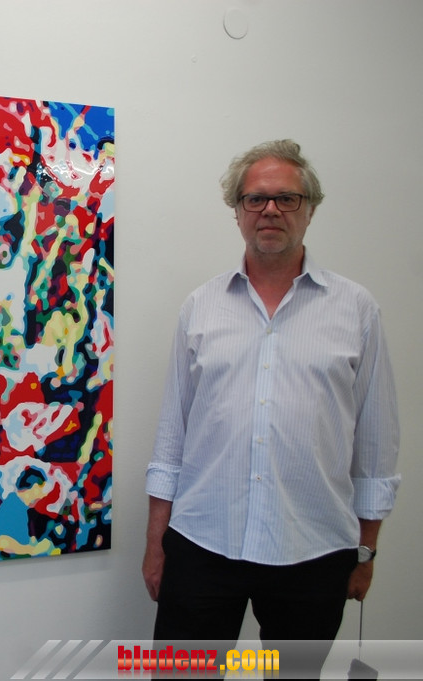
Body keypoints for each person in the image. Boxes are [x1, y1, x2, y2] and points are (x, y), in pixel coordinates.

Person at [142, 139, 400, 674]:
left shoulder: (356, 309)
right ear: (237, 211)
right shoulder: (201, 307)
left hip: (314, 548)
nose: (271, 210)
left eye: (287, 198)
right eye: (256, 199)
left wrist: (366, 552)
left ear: (310, 209)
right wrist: (156, 543)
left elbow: (376, 444)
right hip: (203, 541)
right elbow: (172, 437)